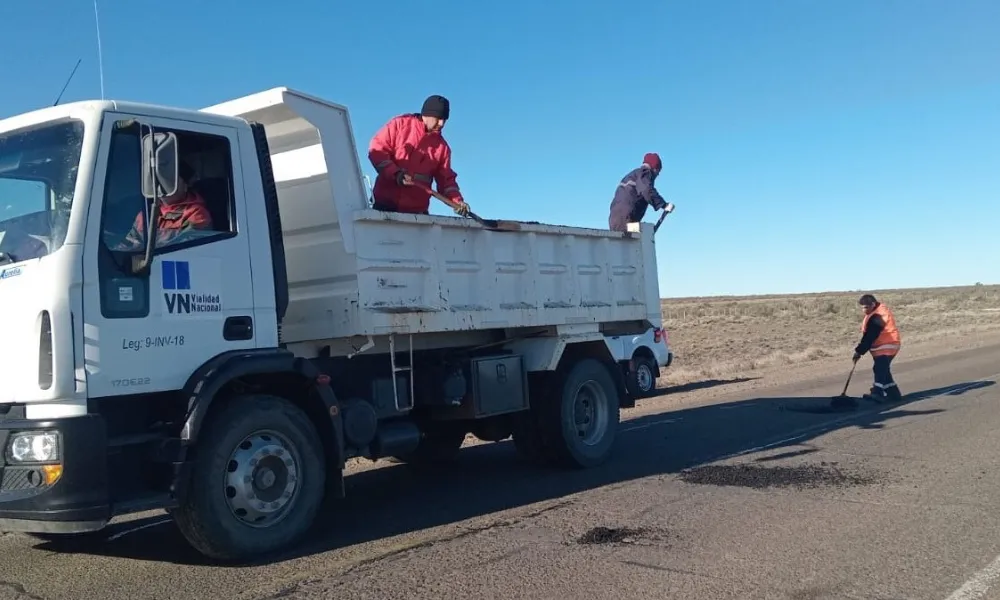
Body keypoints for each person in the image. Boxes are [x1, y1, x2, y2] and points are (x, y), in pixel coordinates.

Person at [367, 95, 471, 217]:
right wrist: (395, 173)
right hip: (384, 207)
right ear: (426, 114)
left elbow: (446, 181)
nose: (441, 123)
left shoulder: (443, 148)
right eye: (438, 118)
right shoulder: (399, 125)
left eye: (444, 119)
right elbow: (377, 150)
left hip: (417, 215)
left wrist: (457, 202)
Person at [121, 161, 213, 249]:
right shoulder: (146, 214)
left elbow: (185, 249)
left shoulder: (196, 215)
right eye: (159, 180)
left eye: (169, 180)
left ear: (186, 184)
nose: (162, 185)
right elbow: (128, 244)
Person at [853, 294, 903, 403]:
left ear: (873, 304)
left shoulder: (878, 316)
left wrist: (859, 351)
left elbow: (870, 335)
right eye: (862, 307)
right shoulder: (875, 313)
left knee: (879, 368)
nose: (863, 310)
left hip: (887, 345)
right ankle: (893, 393)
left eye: (866, 307)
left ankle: (877, 392)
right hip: (884, 345)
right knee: (884, 369)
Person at [608, 153, 669, 232]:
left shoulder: (633, 175)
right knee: (641, 237)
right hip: (626, 219)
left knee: (621, 243)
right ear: (655, 168)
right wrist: (663, 205)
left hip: (614, 220)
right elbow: (647, 190)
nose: (658, 174)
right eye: (658, 171)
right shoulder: (645, 173)